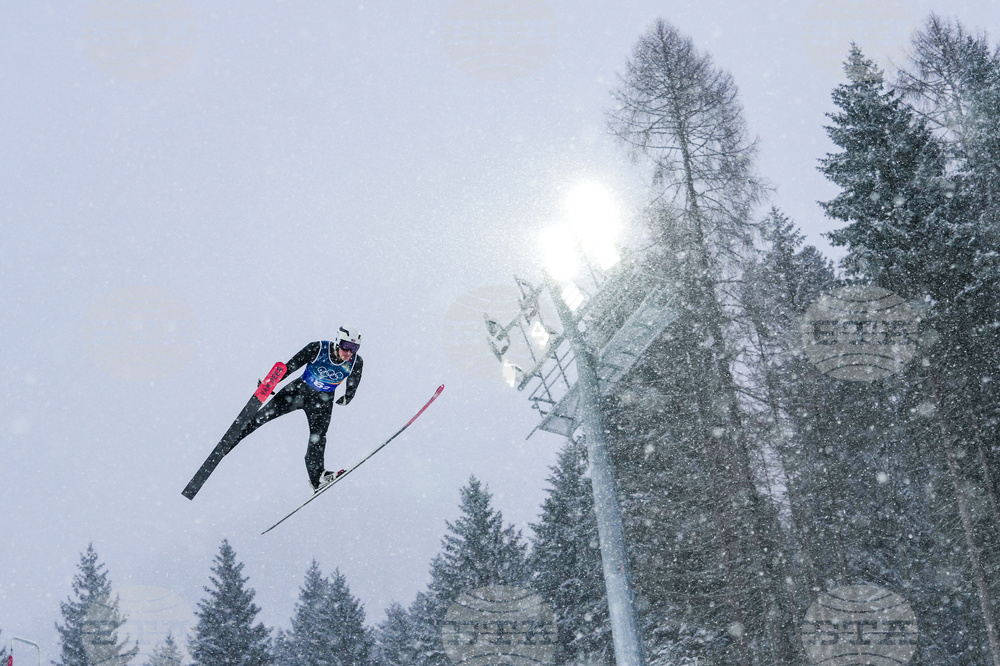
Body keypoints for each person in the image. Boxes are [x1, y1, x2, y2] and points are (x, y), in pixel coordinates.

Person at [232, 327, 363, 491]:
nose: (349, 353)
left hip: (322, 404)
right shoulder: (318, 348)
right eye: (346, 346)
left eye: (354, 349)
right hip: (298, 392)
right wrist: (272, 382)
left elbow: (353, 382)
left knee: (318, 438)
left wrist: (348, 396)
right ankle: (233, 438)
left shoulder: (356, 362)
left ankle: (317, 478)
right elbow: (292, 365)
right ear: (337, 341)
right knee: (261, 417)